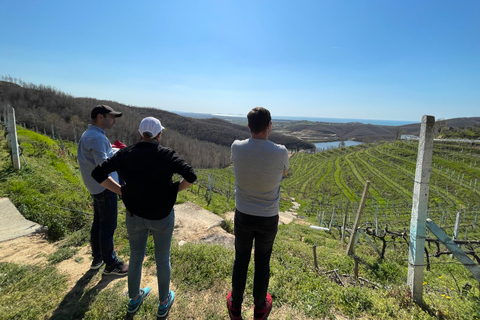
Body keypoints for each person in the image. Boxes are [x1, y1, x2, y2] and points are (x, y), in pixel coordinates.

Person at [91, 116, 197, 317]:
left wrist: (121, 191)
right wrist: (173, 191)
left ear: (140, 134)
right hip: (162, 216)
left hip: (135, 215)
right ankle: (164, 302)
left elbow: (98, 174)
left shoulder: (125, 154)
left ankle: (134, 299)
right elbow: (191, 176)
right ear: (159, 135)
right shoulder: (166, 155)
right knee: (162, 257)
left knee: (136, 256)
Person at [227, 107, 289, 320]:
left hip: (243, 213)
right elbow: (282, 173)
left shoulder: (237, 147)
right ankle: (260, 308)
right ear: (269, 125)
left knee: (241, 258)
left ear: (248, 126)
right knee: (263, 261)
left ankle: (235, 305)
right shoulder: (281, 151)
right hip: (268, 216)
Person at [77, 104, 128, 276]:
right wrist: (121, 190)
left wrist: (116, 151)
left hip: (95, 188)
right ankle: (111, 264)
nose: (114, 120)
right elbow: (103, 168)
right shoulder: (97, 138)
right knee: (108, 225)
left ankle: (98, 257)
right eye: (111, 117)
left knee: (99, 222)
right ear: (100, 117)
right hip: (105, 188)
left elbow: (103, 157)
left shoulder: (91, 135)